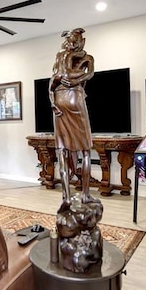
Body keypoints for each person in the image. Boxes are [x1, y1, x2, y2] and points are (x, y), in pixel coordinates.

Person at [48, 28, 98, 211]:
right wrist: (79, 80)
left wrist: (52, 101)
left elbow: (54, 79)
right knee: (85, 150)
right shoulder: (87, 58)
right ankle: (85, 194)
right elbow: (90, 74)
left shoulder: (60, 56)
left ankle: (66, 197)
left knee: (62, 149)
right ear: (81, 41)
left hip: (59, 99)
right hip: (75, 98)